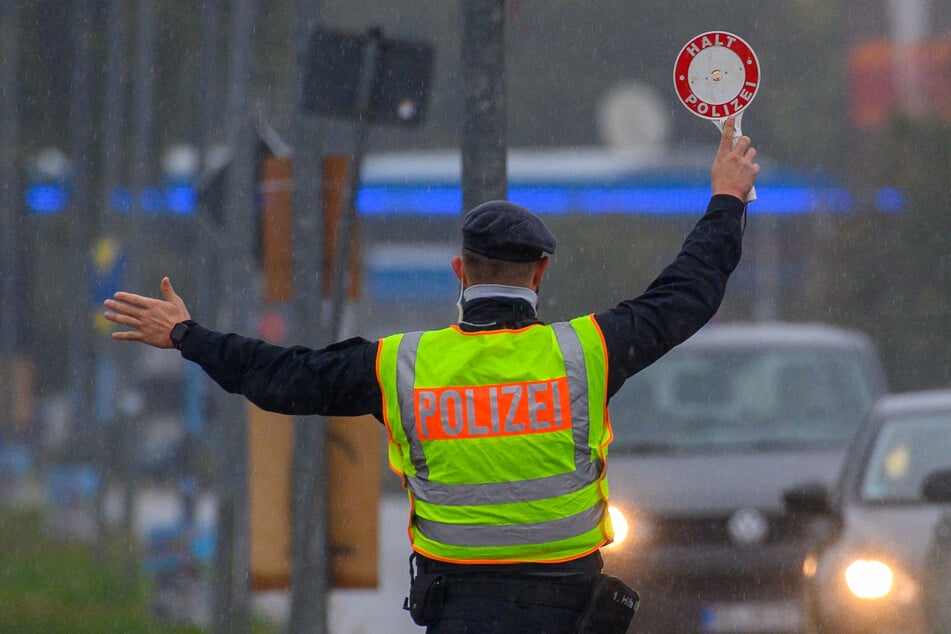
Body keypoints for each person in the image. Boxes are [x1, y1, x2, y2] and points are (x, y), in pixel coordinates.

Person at [103, 116, 758, 633]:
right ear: (540, 273)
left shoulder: (400, 366)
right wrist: (725, 199)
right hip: (570, 609)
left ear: (457, 272)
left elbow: (281, 376)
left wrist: (188, 335)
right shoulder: (586, 350)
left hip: (461, 611)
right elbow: (685, 296)